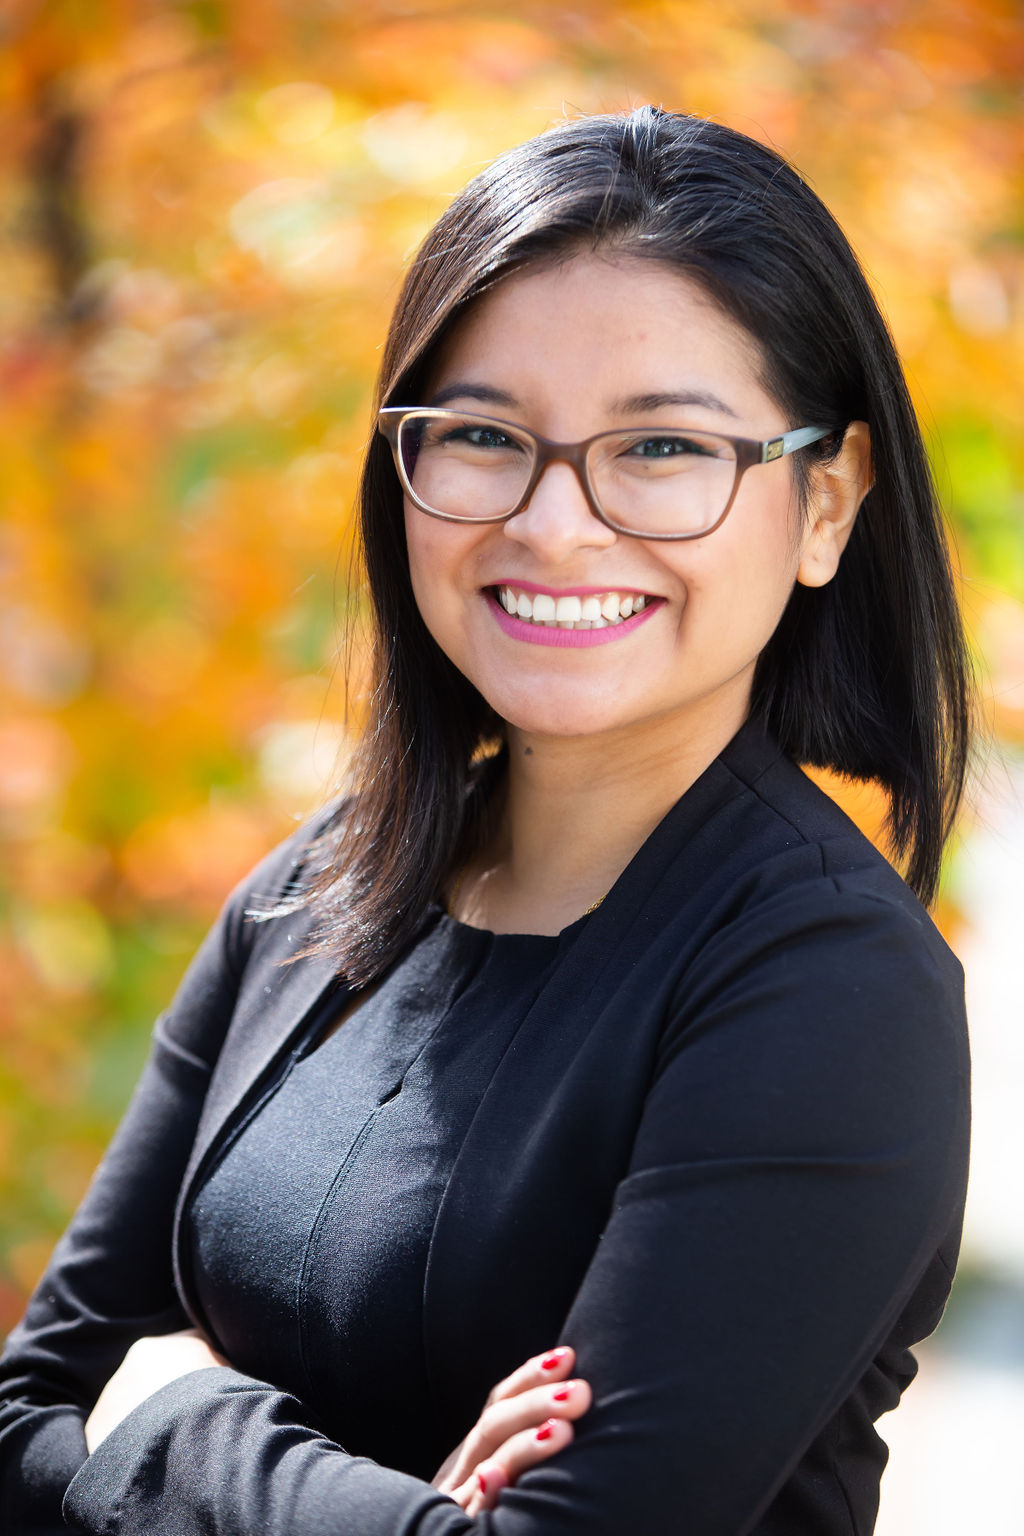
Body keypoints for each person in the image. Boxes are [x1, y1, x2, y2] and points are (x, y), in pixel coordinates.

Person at [0, 105, 972, 1536]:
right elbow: (25, 1421)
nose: (553, 525)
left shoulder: (828, 989)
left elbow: (96, 1425)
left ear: (825, 501)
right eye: (481, 436)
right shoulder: (310, 897)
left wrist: (181, 1421)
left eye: (659, 450)